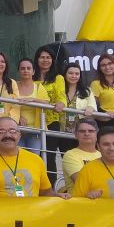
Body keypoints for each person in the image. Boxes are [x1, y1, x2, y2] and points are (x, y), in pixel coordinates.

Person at [33, 45, 67, 182]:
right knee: (35, 155)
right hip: (33, 121)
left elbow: (61, 96)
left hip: (52, 121)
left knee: (49, 155)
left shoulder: (58, 77)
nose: (45, 60)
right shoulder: (31, 76)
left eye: (48, 57)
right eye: (42, 57)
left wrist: (61, 103)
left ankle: (50, 187)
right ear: (37, 59)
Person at [59, 63, 96, 158]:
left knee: (83, 157)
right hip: (63, 131)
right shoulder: (60, 90)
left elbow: (92, 106)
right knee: (67, 158)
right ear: (65, 74)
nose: (73, 76)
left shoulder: (87, 91)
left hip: (81, 132)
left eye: (77, 74)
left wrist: (89, 108)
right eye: (70, 73)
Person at [15, 58, 45, 154]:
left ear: (33, 71)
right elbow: (8, 105)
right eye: (22, 68)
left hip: (35, 131)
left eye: (29, 68)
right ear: (19, 71)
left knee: (34, 158)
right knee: (18, 157)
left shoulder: (39, 87)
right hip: (16, 129)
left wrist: (33, 99)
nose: (26, 71)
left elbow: (47, 103)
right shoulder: (13, 86)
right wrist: (18, 117)